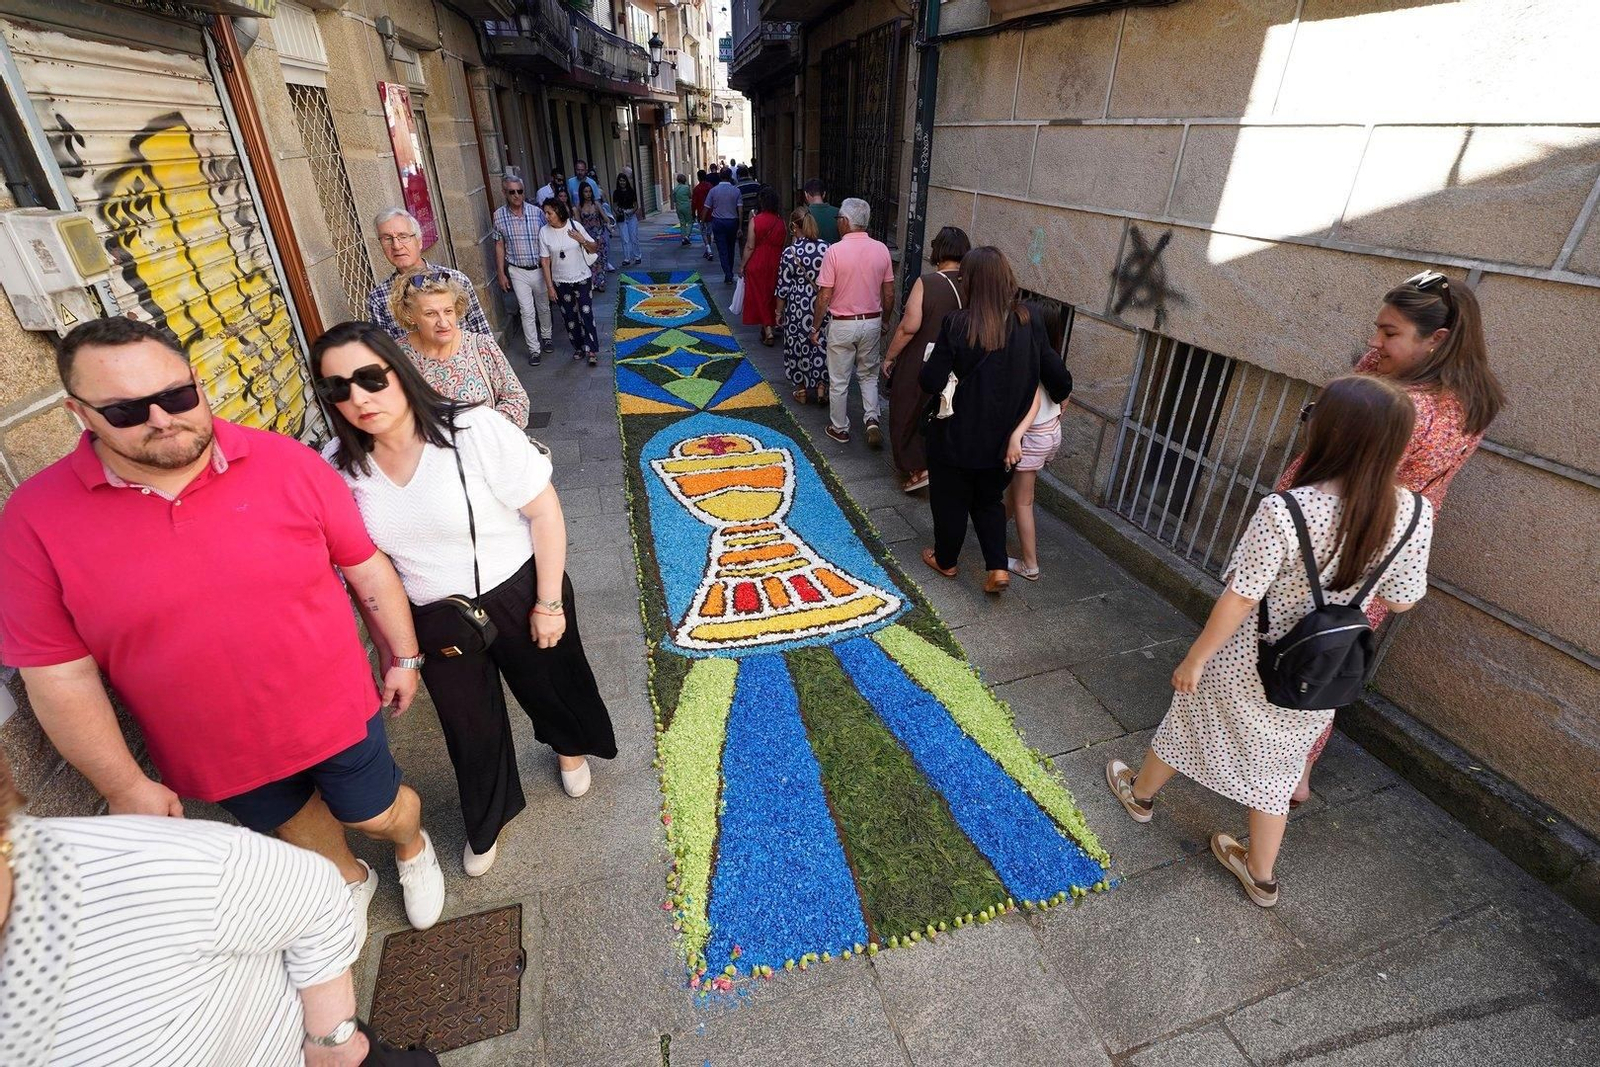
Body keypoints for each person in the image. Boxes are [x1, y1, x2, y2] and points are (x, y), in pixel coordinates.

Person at [0, 317, 447, 949]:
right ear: (80, 413)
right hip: (211, 745)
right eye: (127, 409)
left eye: (177, 396)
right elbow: (57, 671)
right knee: (292, 823)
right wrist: (124, 785)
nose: (161, 418)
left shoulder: (285, 461)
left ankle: (409, 842)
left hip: (334, 708)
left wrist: (403, 655)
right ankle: (347, 878)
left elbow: (363, 565)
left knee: (373, 811)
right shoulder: (34, 519)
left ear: (198, 383)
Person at [1105, 375, 1433, 908]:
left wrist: (1195, 657)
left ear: (1330, 434)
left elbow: (1239, 597)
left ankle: (1139, 796)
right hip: (1322, 670)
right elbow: (1401, 602)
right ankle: (1260, 875)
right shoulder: (1417, 515)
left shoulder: (1286, 509)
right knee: (1279, 767)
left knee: (1189, 721)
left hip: (1247, 659)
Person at [313, 323, 618, 877]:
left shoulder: (473, 427)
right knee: (468, 725)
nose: (357, 398)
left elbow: (544, 510)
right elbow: (366, 571)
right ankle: (489, 814)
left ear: (398, 372)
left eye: (368, 379)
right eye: (337, 388)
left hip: (519, 589)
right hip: (435, 616)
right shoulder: (338, 466)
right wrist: (395, 650)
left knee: (551, 685)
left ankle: (568, 747)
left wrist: (548, 602)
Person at [0, 751, 401, 1067]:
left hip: (293, 1050)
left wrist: (333, 1040)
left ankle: (403, 850)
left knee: (366, 807)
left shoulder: (147, 868)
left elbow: (314, 892)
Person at [1278, 269, 1504, 803]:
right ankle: (1300, 772)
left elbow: (1338, 477)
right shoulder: (1471, 398)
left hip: (1332, 546)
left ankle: (1267, 763)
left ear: (1438, 339)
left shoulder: (1411, 409)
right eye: (1377, 330)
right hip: (1386, 558)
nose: (1374, 344)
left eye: (1389, 334)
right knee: (1327, 656)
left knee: (1284, 644)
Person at [917, 247, 1071, 594]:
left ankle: (946, 559)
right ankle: (998, 567)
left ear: (969, 282)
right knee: (987, 500)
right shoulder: (1027, 321)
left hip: (955, 435)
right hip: (1004, 441)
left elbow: (930, 380)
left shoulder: (958, 324)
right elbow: (1059, 379)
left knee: (950, 500)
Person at [883, 225, 970, 493]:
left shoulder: (928, 283)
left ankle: (918, 467)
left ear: (938, 250)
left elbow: (909, 327)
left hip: (923, 359)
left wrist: (889, 357)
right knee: (943, 413)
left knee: (908, 408)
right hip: (959, 362)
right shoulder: (971, 283)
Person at [393, 271, 529, 428]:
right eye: (430, 314)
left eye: (448, 311)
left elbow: (517, 400)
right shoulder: (397, 356)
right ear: (410, 315)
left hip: (484, 448)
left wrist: (480, 435)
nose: (443, 322)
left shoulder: (481, 346)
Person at [813, 197, 895, 447]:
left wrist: (815, 327)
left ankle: (840, 427)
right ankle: (871, 419)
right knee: (869, 374)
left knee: (839, 379)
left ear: (846, 222)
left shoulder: (835, 251)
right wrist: (885, 321)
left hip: (842, 323)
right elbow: (889, 293)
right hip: (871, 320)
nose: (838, 223)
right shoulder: (881, 249)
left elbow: (824, 296)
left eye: (839, 219)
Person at [1006, 300, 1072, 580]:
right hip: (1050, 432)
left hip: (1032, 437)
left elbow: (1031, 404)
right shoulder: (1054, 361)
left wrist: (1015, 437)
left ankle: (1029, 565)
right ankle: (995, 523)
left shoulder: (1031, 361)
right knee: (1017, 488)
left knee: (1023, 500)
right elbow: (1064, 399)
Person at [367, 208, 492, 341]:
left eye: (403, 236)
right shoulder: (378, 298)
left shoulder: (455, 279)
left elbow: (482, 333)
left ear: (419, 241)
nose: (396, 246)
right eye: (387, 239)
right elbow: (387, 351)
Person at [493, 174, 554, 368]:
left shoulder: (537, 213)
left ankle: (547, 336)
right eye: (512, 192)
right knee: (527, 311)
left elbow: (548, 238)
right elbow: (499, 245)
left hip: (538, 269)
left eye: (520, 191)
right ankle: (534, 349)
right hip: (517, 270)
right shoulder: (499, 215)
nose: (517, 195)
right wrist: (501, 273)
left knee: (543, 306)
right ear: (505, 193)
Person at [774, 207, 830, 406]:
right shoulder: (827, 248)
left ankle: (801, 390)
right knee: (820, 344)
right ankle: (822, 388)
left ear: (794, 227)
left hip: (798, 305)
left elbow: (783, 286)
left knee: (797, 345)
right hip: (821, 304)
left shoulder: (790, 252)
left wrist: (778, 311)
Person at [540, 198, 603, 366]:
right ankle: (579, 347)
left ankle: (592, 349)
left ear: (559, 212)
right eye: (545, 213)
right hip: (560, 281)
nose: (546, 216)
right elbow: (545, 262)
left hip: (581, 277)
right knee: (569, 316)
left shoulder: (575, 226)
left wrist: (581, 239)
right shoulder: (544, 232)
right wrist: (550, 287)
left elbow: (594, 247)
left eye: (549, 213)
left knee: (586, 312)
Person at [737, 186, 785, 346]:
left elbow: (750, 246)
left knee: (759, 296)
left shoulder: (755, 221)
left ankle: (768, 330)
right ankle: (769, 326)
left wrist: (742, 265)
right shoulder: (781, 222)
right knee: (771, 296)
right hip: (776, 263)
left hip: (757, 263)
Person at [704, 169, 743, 284]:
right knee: (731, 248)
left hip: (718, 222)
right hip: (732, 222)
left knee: (722, 249)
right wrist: (740, 226)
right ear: (730, 176)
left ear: (720, 176)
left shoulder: (713, 191)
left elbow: (706, 207)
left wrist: (702, 220)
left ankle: (728, 273)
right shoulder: (736, 191)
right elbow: (740, 210)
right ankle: (729, 271)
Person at [576, 180, 612, 294]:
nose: (588, 194)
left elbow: (605, 217)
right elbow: (578, 223)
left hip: (598, 236)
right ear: (581, 193)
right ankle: (593, 282)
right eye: (586, 192)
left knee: (601, 260)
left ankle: (601, 283)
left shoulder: (596, 204)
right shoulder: (579, 207)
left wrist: (608, 225)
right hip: (587, 237)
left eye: (590, 191)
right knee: (591, 261)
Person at [614, 169, 644, 266]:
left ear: (626, 181)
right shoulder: (616, 193)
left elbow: (636, 205)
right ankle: (627, 258)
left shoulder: (631, 191)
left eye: (624, 180)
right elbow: (614, 205)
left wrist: (632, 211)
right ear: (618, 182)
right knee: (625, 238)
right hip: (622, 217)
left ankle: (637, 256)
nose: (622, 182)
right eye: (620, 180)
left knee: (634, 237)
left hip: (631, 216)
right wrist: (618, 211)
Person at [804, 178, 841, 244]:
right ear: (824, 194)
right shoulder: (838, 213)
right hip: (834, 253)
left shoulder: (803, 214)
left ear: (806, 195)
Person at [691, 169, 716, 261]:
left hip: (701, 213)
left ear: (698, 177)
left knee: (703, 232)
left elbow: (694, 203)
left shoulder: (696, 189)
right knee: (709, 232)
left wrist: (693, 213)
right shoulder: (711, 187)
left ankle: (708, 249)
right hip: (711, 213)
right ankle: (708, 248)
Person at [673, 172, 695, 246]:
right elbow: (690, 196)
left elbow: (674, 200)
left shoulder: (675, 189)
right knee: (690, 221)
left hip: (678, 208)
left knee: (682, 223)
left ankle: (683, 238)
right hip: (686, 207)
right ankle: (687, 236)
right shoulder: (686, 188)